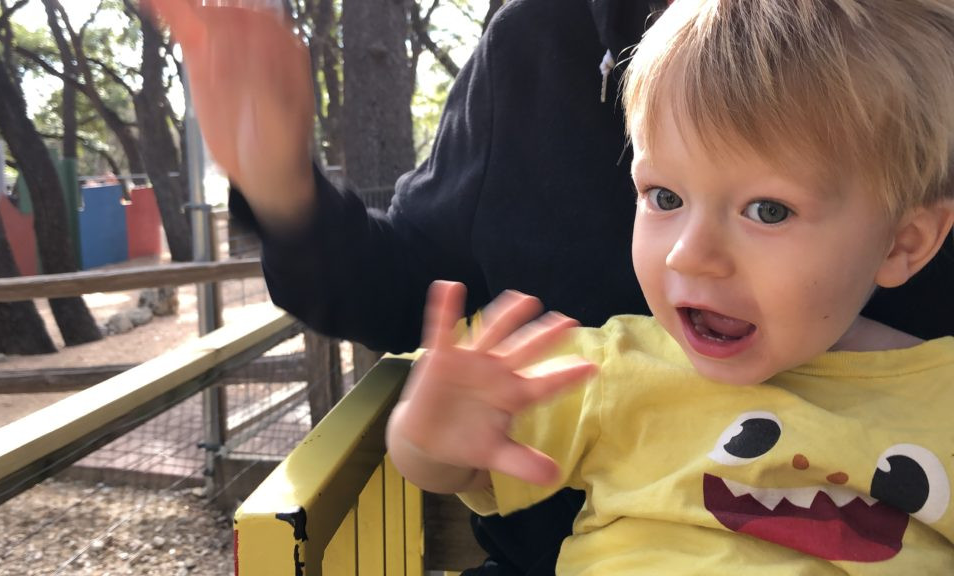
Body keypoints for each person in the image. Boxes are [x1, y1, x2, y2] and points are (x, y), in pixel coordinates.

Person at [147, 0, 954, 573]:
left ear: (908, 240)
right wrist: (274, 172)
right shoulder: (605, 365)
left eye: (769, 209)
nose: (691, 259)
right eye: (661, 198)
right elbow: (411, 307)